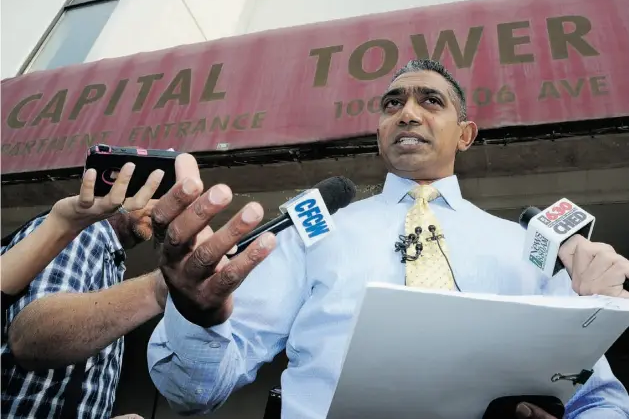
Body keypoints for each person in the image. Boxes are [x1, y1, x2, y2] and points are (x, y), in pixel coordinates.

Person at [147, 59, 629, 419]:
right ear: (379, 130)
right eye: (393, 104)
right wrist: (196, 316)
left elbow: (601, 399)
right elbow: (193, 392)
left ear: (465, 134)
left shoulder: (526, 247)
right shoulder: (315, 234)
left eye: (430, 101)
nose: (408, 114)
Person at [1, 162, 167, 419]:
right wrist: (160, 287)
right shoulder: (85, 234)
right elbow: (30, 340)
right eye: (153, 193)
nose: (159, 208)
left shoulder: (111, 261)